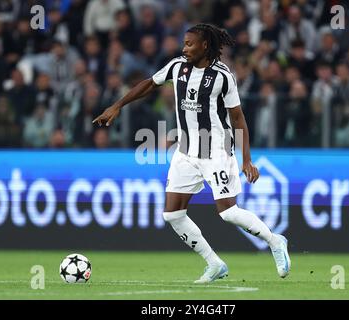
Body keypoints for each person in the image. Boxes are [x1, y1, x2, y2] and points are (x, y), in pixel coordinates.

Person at [93, 24, 290, 283]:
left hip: (216, 151)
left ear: (205, 45)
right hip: (185, 152)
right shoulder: (177, 67)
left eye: (189, 44)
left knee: (228, 213)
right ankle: (214, 263)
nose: (184, 49)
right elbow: (148, 84)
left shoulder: (222, 76)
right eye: (184, 43)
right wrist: (117, 105)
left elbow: (238, 118)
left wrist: (246, 159)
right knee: (172, 214)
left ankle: (274, 241)